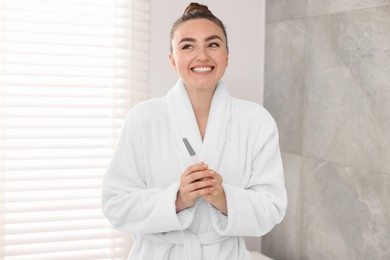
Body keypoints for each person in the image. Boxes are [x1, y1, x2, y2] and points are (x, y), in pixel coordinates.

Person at [102, 3, 287, 260]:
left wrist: (223, 198)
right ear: (172, 59)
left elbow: (272, 209)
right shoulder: (143, 119)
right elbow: (116, 206)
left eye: (212, 44)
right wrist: (177, 199)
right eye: (187, 46)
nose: (202, 56)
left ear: (227, 55)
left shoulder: (257, 121)